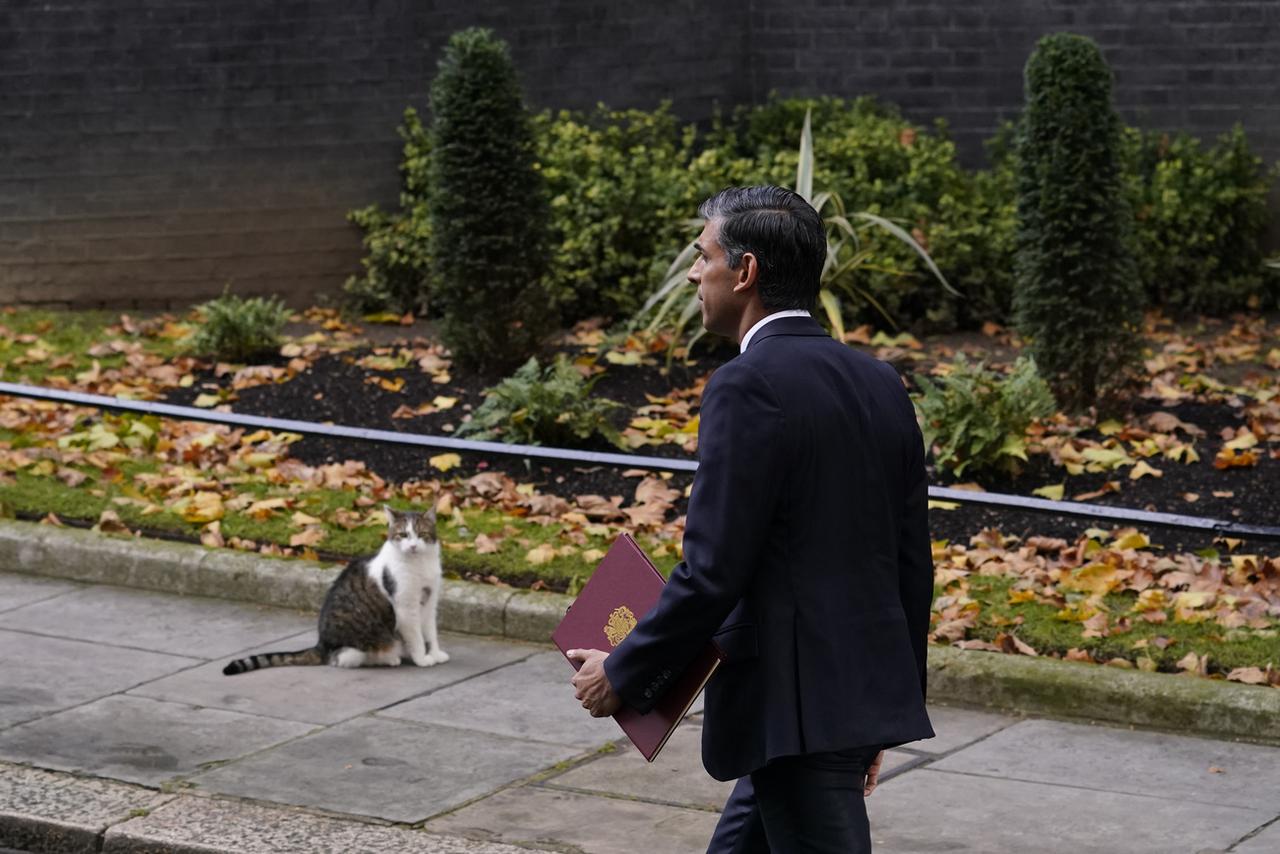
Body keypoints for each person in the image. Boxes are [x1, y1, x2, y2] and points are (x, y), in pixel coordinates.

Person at [567, 185, 934, 853]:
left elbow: (713, 571)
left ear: (745, 271)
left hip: (792, 710)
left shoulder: (746, 385)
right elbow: (911, 561)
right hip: (834, 708)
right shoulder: (880, 382)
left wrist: (621, 674)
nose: (692, 272)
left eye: (702, 255)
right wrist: (885, 712)